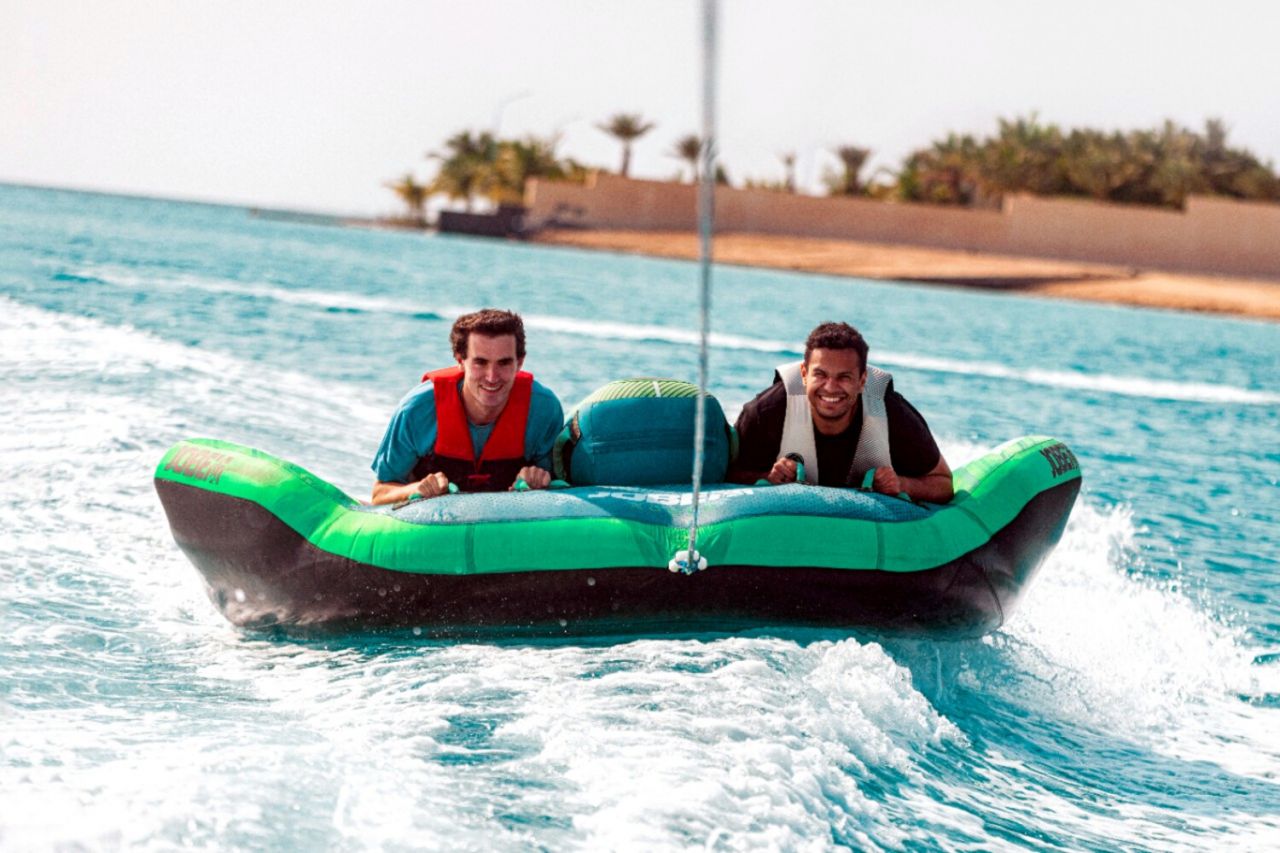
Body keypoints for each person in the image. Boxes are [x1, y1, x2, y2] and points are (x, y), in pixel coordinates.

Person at [730, 321, 953, 503]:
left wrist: (901, 484)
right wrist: (768, 477)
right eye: (821, 375)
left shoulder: (891, 413)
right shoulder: (767, 411)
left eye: (844, 377)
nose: (830, 387)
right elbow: (725, 474)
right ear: (804, 374)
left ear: (862, 380)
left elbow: (943, 483)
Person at [370, 308, 564, 504]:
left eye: (504, 363)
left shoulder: (544, 411)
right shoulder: (416, 410)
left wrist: (538, 481)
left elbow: (560, 488)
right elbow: (379, 494)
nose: (492, 377)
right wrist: (416, 488)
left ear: (519, 362)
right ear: (460, 361)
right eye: (480, 362)